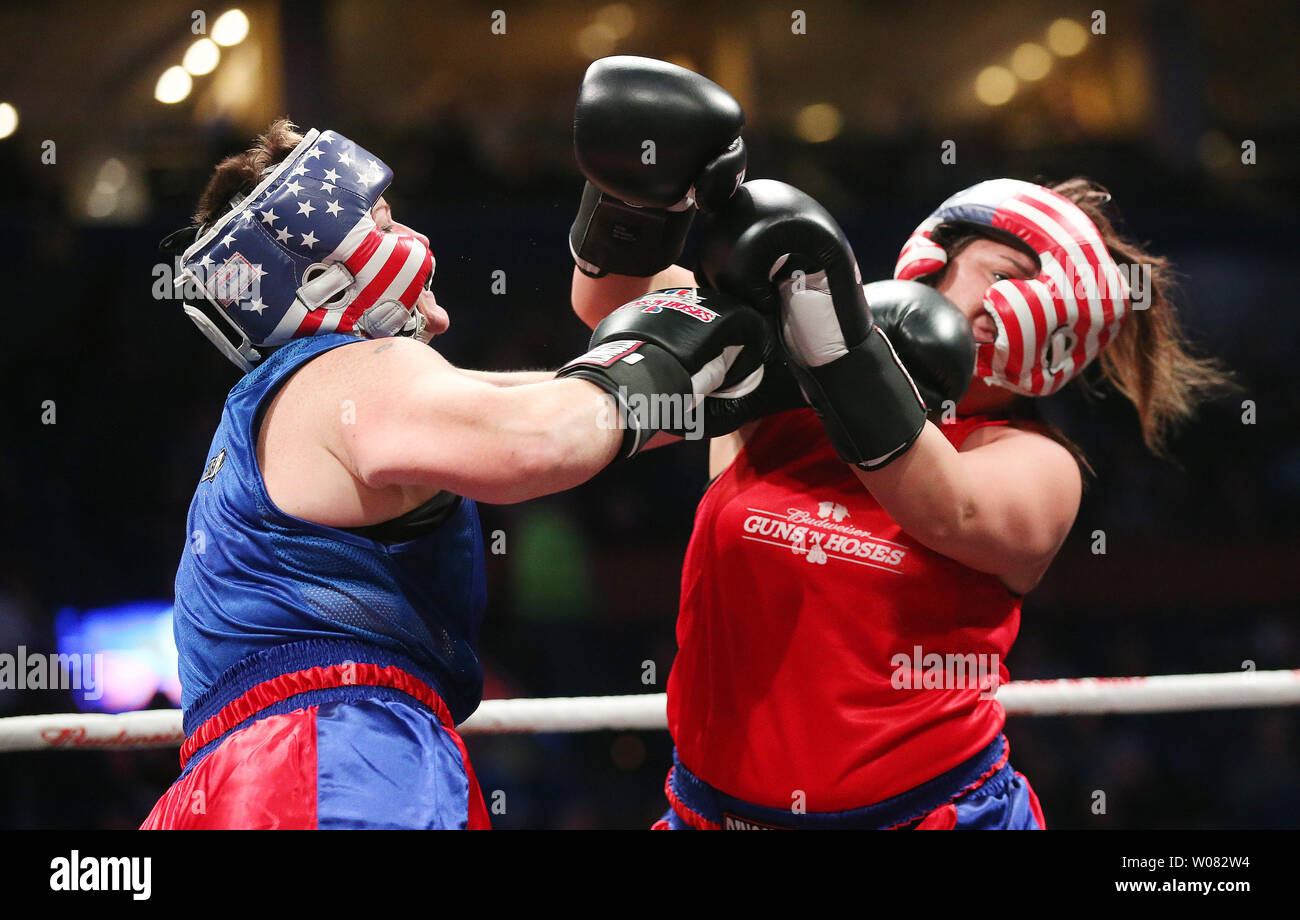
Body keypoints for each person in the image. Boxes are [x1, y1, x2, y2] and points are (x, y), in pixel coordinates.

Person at [140, 93, 764, 829]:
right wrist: (727, 335)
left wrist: (639, 232)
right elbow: (544, 439)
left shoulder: (295, 400)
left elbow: (564, 401)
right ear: (320, 272)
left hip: (265, 772)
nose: (413, 235)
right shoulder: (346, 375)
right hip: (329, 761)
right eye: (380, 222)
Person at [573, 170, 1230, 828]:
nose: (1011, 310)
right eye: (1002, 277)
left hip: (931, 815)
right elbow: (618, 311)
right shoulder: (782, 385)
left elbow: (947, 506)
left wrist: (826, 342)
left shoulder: (1037, 462)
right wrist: (634, 188)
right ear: (933, 256)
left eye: (1046, 300)